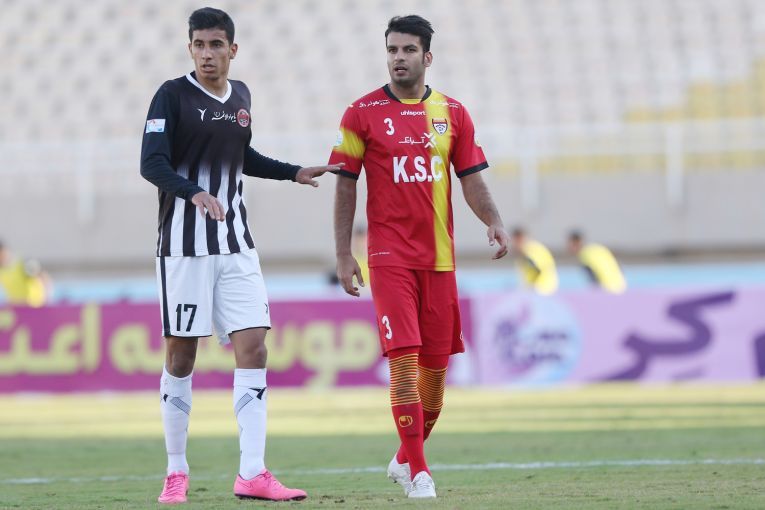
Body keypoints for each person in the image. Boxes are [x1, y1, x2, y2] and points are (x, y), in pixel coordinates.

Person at [140, 8, 342, 504]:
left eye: (216, 45)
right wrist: (193, 192)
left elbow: (240, 156)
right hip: (185, 248)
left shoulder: (241, 97)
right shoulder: (172, 95)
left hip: (236, 244)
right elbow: (151, 163)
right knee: (181, 356)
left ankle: (252, 473)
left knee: (254, 348)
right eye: (199, 45)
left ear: (233, 49)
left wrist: (292, 171)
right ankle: (176, 470)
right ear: (190, 48)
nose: (207, 54)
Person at [329, 15, 509, 499]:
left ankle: (404, 456)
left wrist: (493, 219)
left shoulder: (453, 112)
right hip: (389, 257)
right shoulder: (360, 113)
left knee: (435, 378)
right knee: (404, 363)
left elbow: (471, 178)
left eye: (408, 50)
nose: (398, 58)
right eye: (392, 49)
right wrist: (344, 253)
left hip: (440, 260)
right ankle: (421, 473)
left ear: (427, 56)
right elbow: (345, 185)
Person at [0, 241, 50, 307]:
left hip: (35, 305)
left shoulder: (23, 263)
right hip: (17, 307)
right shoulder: (1, 271)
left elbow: (43, 276)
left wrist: (46, 298)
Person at [510, 227, 558, 295]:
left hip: (541, 288)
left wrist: (531, 286)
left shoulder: (530, 250)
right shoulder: (526, 250)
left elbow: (537, 268)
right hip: (541, 288)